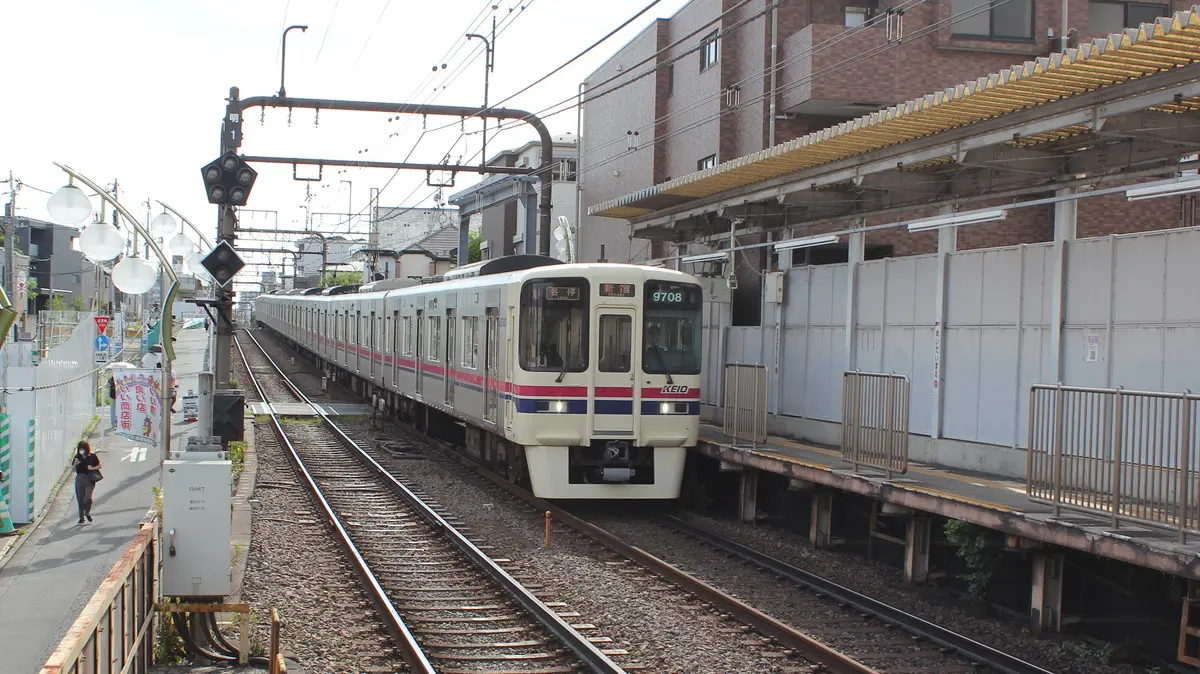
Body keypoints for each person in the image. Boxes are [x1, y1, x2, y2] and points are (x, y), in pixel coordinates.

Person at [71, 441, 101, 524]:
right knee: (80, 499)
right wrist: (75, 465)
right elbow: (73, 469)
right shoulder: (77, 457)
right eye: (80, 449)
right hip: (80, 478)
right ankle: (81, 517)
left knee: (87, 498)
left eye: (83, 449)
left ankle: (87, 512)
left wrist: (92, 468)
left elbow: (99, 465)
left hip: (89, 479)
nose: (81, 451)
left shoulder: (92, 456)